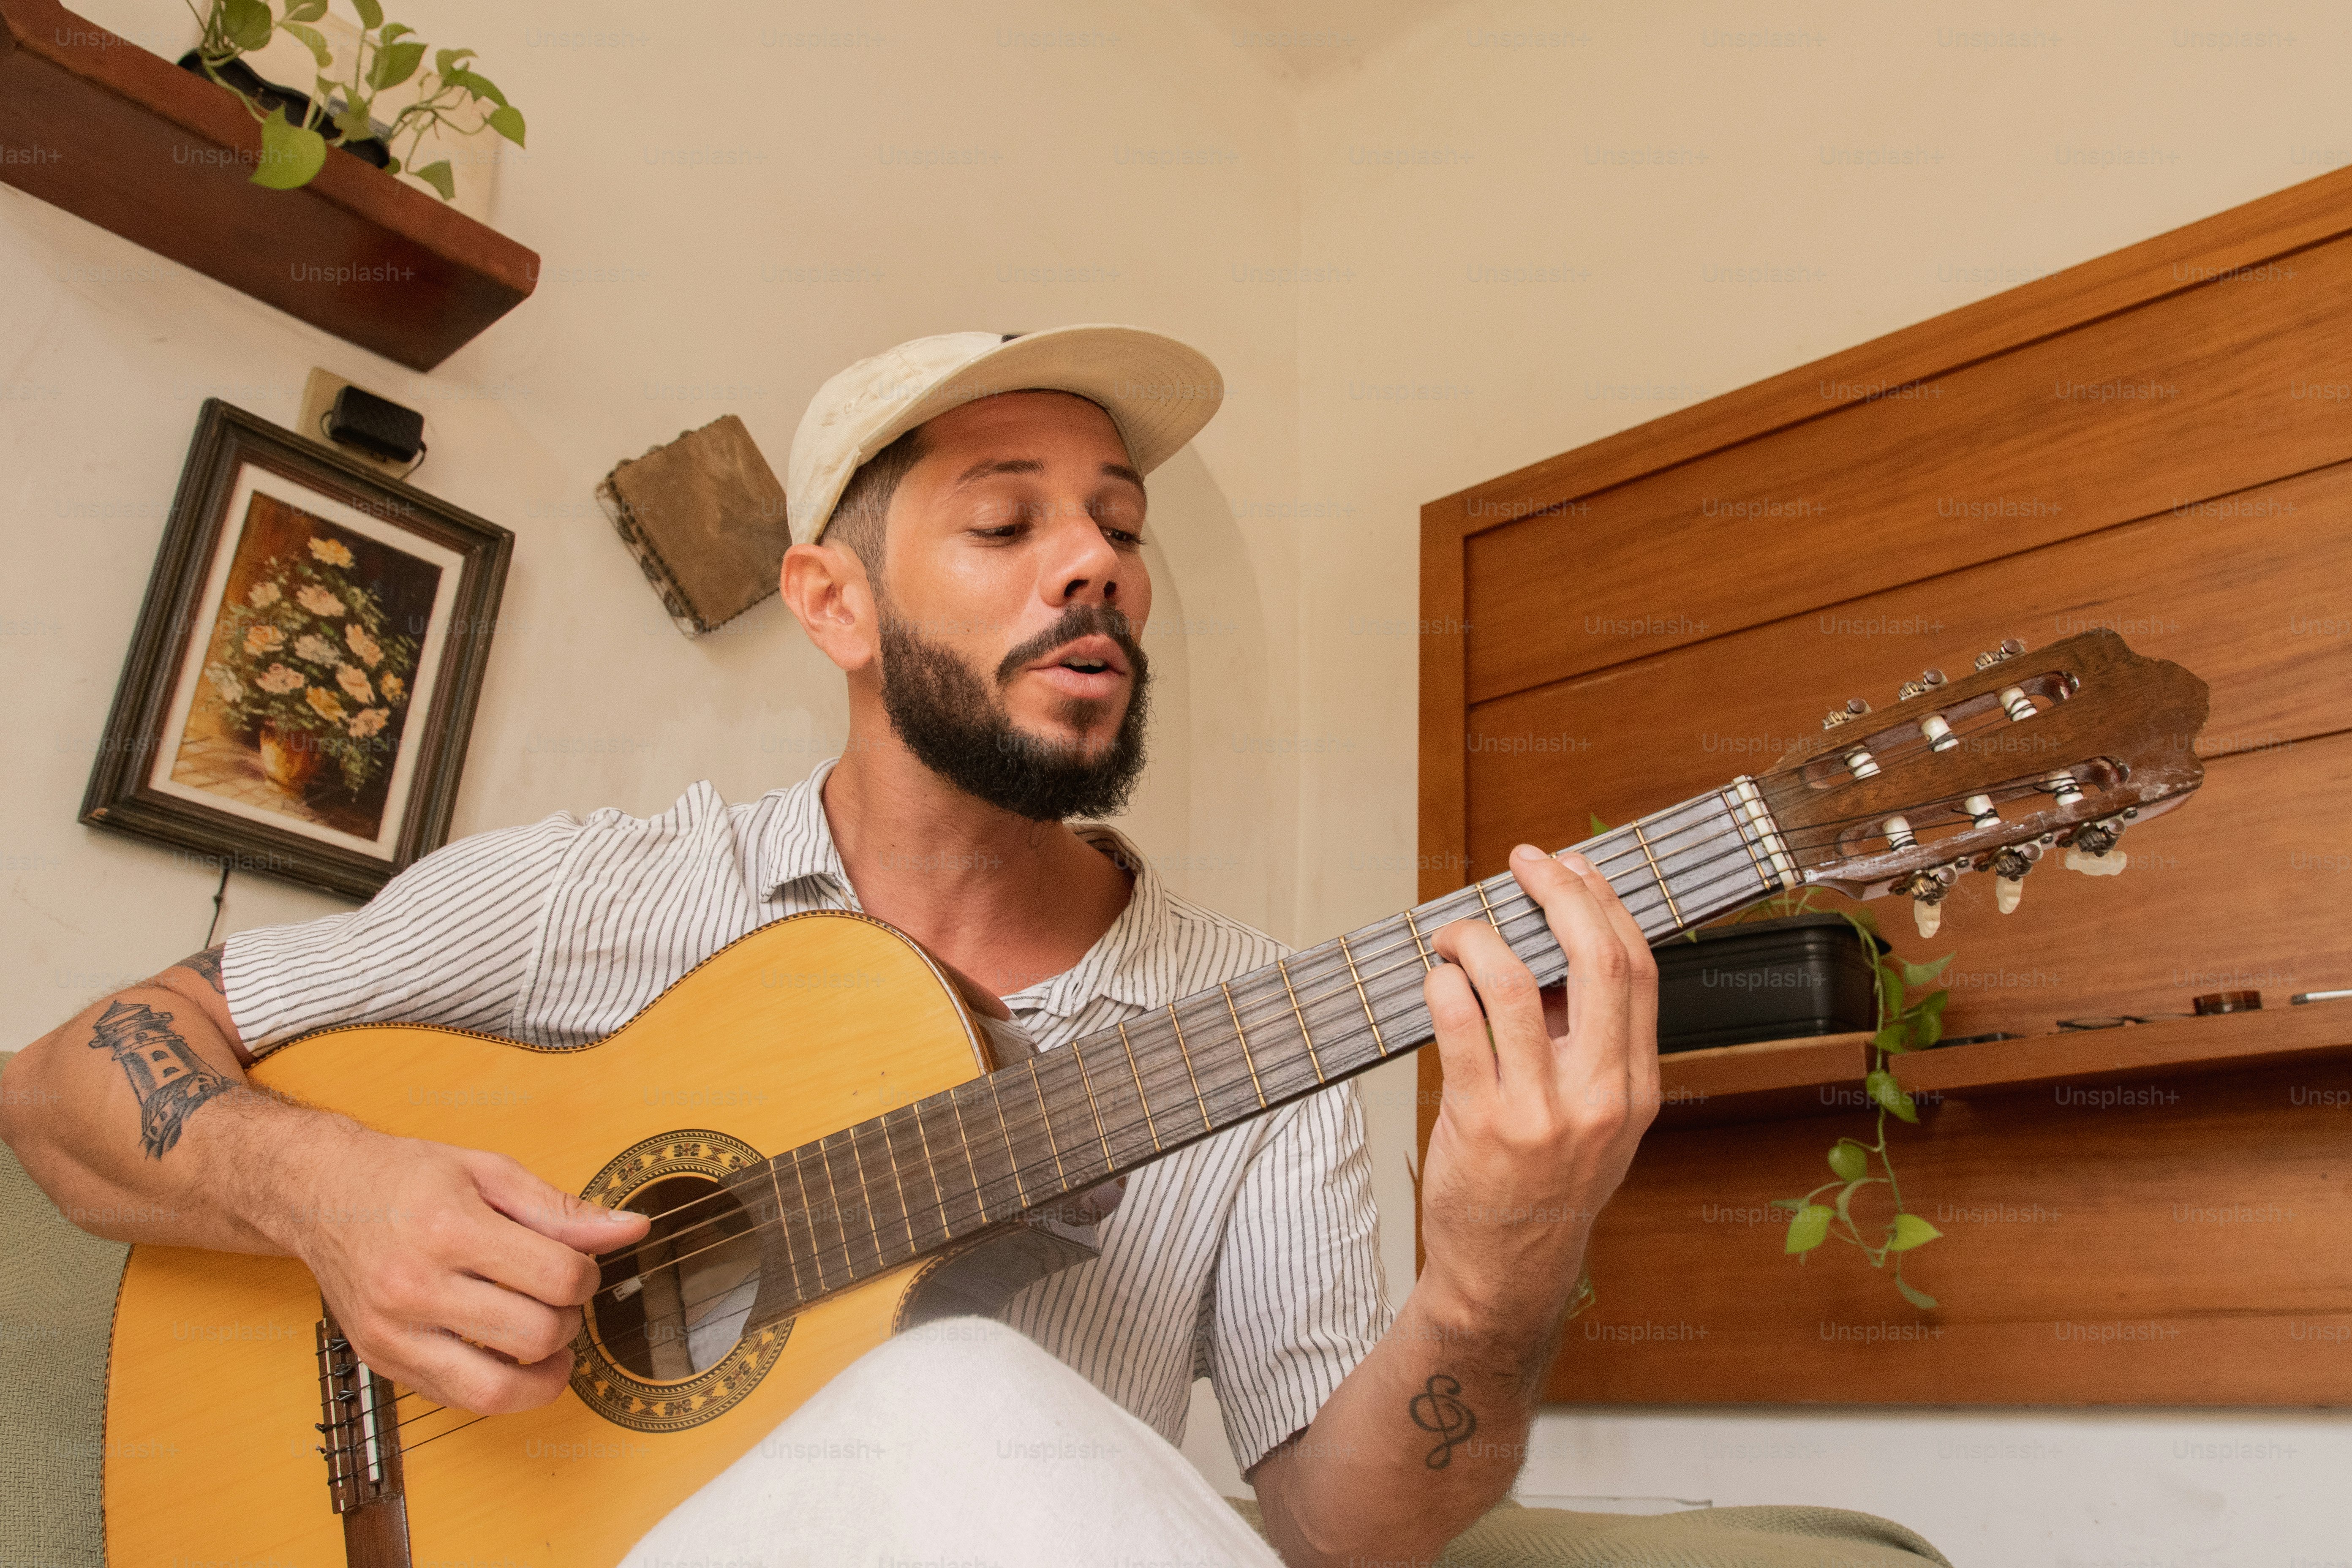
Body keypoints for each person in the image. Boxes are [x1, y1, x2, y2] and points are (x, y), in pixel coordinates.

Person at [1, 327, 1663, 1568]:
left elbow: (1336, 1534)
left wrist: (1496, 1275)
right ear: (832, 604)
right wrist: (331, 1194)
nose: (1097, 562)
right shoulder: (604, 898)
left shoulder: (1249, 1023)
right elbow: (63, 1083)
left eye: (1120, 526)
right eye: (1007, 526)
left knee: (953, 1394)